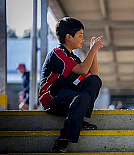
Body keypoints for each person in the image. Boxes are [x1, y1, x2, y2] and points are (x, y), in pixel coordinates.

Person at [39, 17, 103, 153]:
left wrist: (94, 51)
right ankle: (63, 139)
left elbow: (93, 74)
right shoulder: (58, 53)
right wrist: (92, 50)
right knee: (82, 97)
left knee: (95, 81)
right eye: (80, 35)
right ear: (68, 37)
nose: (83, 39)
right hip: (52, 99)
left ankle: (79, 119)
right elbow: (83, 69)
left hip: (67, 96)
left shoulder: (72, 57)